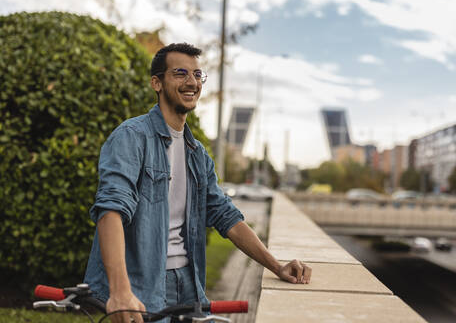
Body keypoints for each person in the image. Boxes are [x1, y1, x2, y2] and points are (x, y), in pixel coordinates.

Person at [84, 43, 312, 323]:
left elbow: (226, 216)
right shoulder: (132, 137)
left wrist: (276, 266)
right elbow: (111, 210)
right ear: (157, 82)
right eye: (180, 73)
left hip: (189, 285)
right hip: (140, 286)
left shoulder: (197, 154)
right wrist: (120, 291)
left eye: (197, 74)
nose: (191, 82)